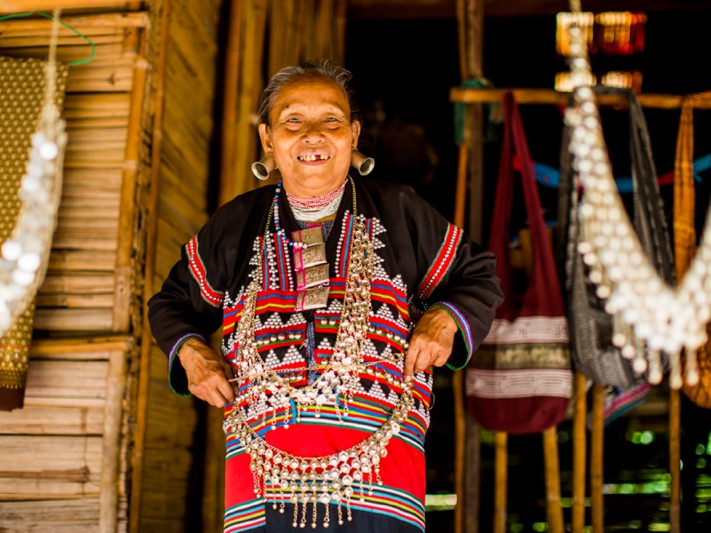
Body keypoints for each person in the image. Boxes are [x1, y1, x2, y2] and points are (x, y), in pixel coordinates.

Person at [147, 60, 503, 533]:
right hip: (261, 489)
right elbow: (170, 303)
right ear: (268, 139)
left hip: (382, 486)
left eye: (331, 121)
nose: (313, 135)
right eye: (293, 121)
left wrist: (444, 318)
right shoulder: (236, 225)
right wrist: (192, 354)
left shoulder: (400, 212)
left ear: (353, 134)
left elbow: (478, 275)